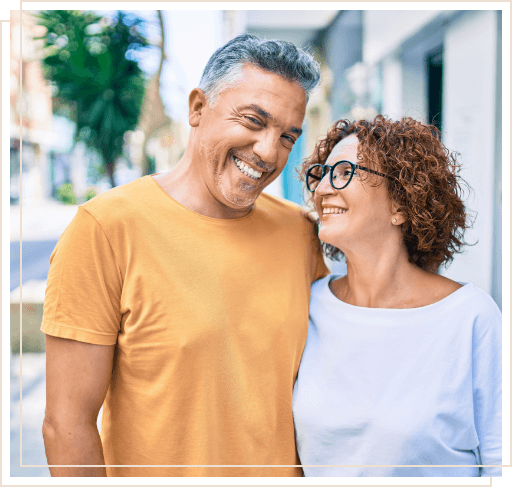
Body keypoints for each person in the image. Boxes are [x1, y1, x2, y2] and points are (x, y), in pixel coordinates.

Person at [41, 34, 328, 478]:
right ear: (197, 108)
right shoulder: (105, 229)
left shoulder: (301, 234)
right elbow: (66, 425)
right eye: (253, 120)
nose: (270, 152)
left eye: (288, 137)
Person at [293, 116, 502, 477]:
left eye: (344, 172)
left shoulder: (470, 316)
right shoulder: (307, 307)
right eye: (321, 174)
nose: (323, 188)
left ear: (401, 204)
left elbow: (500, 462)